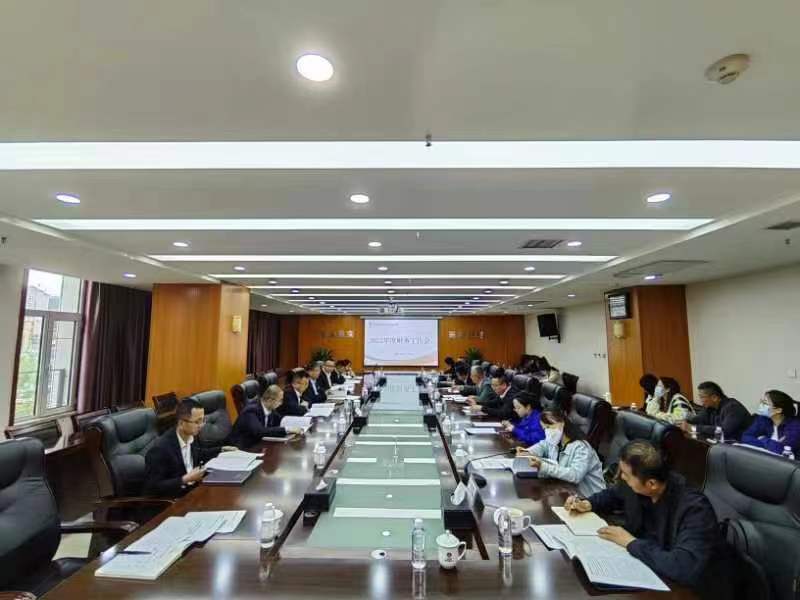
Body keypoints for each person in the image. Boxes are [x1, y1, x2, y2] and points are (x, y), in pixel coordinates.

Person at [565, 440, 736, 599]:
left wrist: (630, 542)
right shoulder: (639, 484)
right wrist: (588, 503)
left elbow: (683, 567)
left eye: (625, 474)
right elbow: (614, 494)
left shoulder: (694, 510)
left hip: (686, 590)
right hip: (645, 568)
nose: (621, 477)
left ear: (651, 484)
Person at [144, 398, 235, 497]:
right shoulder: (160, 449)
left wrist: (221, 450)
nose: (201, 425)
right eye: (197, 422)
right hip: (175, 499)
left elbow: (199, 453)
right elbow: (154, 487)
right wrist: (185, 479)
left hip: (194, 491)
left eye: (203, 420)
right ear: (181, 423)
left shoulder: (192, 436)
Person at [518, 408, 606, 497]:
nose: (547, 431)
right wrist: (528, 452)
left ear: (562, 423)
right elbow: (543, 445)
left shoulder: (582, 447)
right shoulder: (556, 440)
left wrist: (543, 466)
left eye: (549, 426)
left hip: (590, 497)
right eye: (544, 428)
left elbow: (575, 475)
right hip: (569, 491)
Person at [229, 385, 305, 448]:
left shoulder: (270, 409)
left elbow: (281, 420)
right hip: (241, 448)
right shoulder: (251, 411)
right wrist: (287, 429)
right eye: (280, 400)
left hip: (258, 445)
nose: (281, 403)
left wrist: (298, 424)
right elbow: (259, 431)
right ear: (270, 400)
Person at [682, 381, 750, 440]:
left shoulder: (733, 407)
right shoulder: (710, 407)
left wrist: (694, 428)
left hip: (744, 443)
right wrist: (685, 422)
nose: (700, 400)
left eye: (702, 397)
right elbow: (698, 419)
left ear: (714, 397)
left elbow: (723, 431)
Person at [741, 389, 800, 456]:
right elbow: (745, 437)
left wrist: (762, 438)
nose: (761, 405)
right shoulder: (762, 418)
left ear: (778, 410)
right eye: (761, 402)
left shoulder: (795, 426)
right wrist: (771, 444)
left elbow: (784, 451)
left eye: (765, 403)